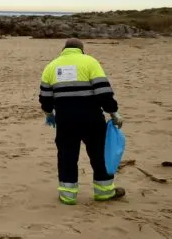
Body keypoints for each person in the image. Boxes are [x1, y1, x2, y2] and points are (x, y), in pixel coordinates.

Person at [39, 38, 125, 205]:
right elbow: (103, 91)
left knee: (66, 155)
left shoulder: (51, 66)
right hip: (91, 117)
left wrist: (49, 113)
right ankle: (104, 192)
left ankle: (67, 195)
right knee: (99, 154)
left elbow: (45, 97)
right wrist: (113, 112)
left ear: (64, 49)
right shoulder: (90, 62)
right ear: (81, 49)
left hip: (65, 120)